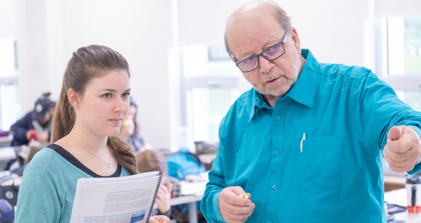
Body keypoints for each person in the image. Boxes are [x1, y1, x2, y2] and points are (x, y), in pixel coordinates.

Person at [200, 1, 421, 223]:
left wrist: (410, 143)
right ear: (235, 62)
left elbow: (404, 124)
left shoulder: (353, 90)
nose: (265, 67)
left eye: (272, 48)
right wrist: (219, 205)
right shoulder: (235, 118)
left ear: (294, 39)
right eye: (249, 60)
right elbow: (214, 189)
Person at [15, 45, 170, 223]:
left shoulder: (124, 159)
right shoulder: (45, 170)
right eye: (107, 95)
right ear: (74, 98)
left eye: (125, 94)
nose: (121, 107)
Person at [136, 150, 181, 219]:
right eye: (151, 185)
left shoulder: (171, 186)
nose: (156, 190)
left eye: (160, 184)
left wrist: (165, 211)